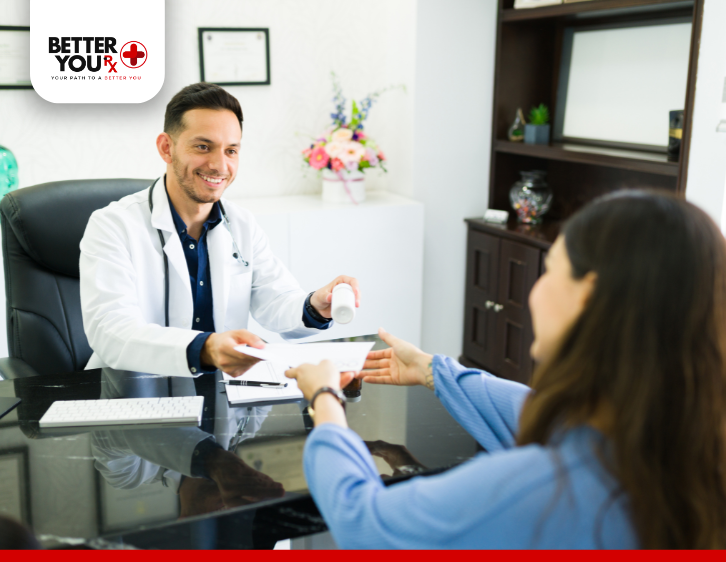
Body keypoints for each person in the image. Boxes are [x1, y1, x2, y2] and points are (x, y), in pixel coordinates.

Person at [286, 190, 726, 549]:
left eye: (550, 270)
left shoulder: (540, 492)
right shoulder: (686, 450)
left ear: (587, 297)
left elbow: (367, 525)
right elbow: (537, 412)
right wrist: (433, 371)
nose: (535, 290)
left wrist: (325, 403)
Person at [80, 83, 360, 378]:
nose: (219, 165)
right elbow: (111, 332)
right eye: (203, 147)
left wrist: (315, 306)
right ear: (167, 148)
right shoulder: (112, 226)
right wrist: (206, 348)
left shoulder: (241, 224)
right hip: (132, 394)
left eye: (231, 150)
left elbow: (276, 299)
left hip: (222, 394)